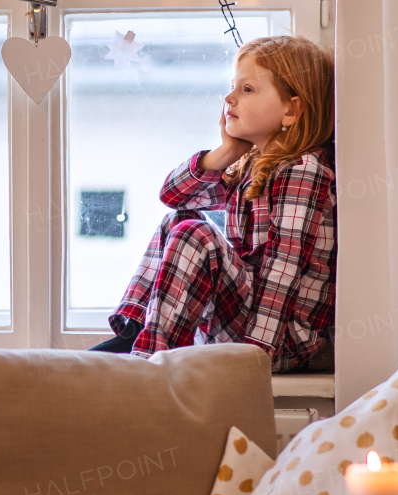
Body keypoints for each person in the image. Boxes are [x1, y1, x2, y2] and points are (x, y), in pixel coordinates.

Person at [90, 35, 336, 372]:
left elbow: (284, 269)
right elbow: (174, 197)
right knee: (179, 222)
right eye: (233, 87)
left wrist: (256, 357)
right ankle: (135, 334)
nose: (229, 98)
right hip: (247, 324)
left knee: (195, 234)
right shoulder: (251, 165)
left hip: (282, 340)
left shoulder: (303, 170)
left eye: (247, 90)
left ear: (290, 110)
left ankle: (150, 363)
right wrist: (224, 154)